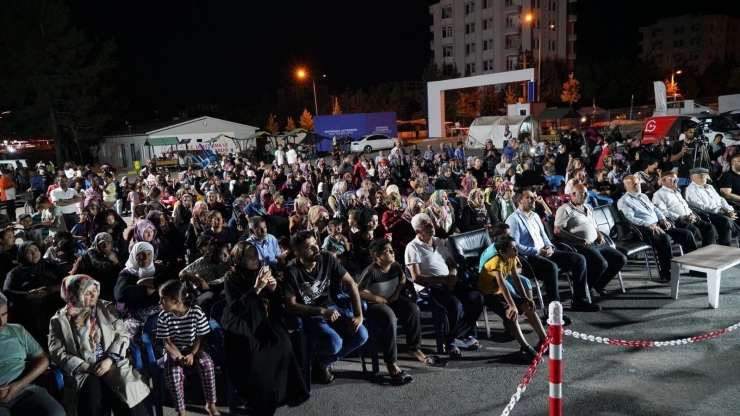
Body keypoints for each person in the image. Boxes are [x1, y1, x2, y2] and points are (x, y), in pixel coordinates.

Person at [220, 241, 310, 414]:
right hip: (242, 320)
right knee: (256, 351)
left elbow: (274, 303)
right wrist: (257, 288)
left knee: (283, 343)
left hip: (263, 316)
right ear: (239, 259)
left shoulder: (263, 271)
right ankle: (261, 399)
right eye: (249, 257)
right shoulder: (231, 277)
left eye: (256, 255)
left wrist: (274, 289)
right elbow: (237, 308)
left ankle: (283, 393)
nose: (255, 260)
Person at [48, 275, 149, 416]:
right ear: (75, 294)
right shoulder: (59, 320)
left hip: (112, 362)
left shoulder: (106, 308)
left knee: (128, 393)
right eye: (88, 292)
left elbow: (122, 335)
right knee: (92, 399)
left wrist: (109, 360)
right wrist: (86, 367)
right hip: (83, 370)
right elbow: (56, 352)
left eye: (95, 289)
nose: (94, 294)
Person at [282, 231, 368, 384]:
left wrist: (358, 315)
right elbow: (291, 305)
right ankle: (319, 360)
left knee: (361, 334)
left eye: (315, 243)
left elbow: (350, 283)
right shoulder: (292, 270)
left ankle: (322, 362)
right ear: (298, 253)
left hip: (334, 308)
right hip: (312, 314)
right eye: (309, 247)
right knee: (335, 344)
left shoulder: (326, 258)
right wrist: (320, 311)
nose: (316, 249)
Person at [358, 239, 444, 383]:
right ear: (377, 256)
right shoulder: (371, 271)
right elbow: (357, 291)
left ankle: (414, 347)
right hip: (375, 304)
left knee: (413, 309)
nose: (393, 252)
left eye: (392, 249)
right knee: (390, 318)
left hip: (392, 298)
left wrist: (396, 293)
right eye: (388, 251)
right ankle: (390, 362)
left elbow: (402, 278)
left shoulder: (395, 266)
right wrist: (377, 299)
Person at [506, 188, 597, 320]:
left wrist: (549, 246)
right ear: (519, 200)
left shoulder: (535, 215)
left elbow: (545, 236)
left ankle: (580, 301)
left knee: (579, 259)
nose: (533, 200)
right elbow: (515, 246)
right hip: (530, 257)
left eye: (533, 197)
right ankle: (554, 312)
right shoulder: (514, 220)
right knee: (551, 267)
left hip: (545, 251)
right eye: (529, 198)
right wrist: (538, 251)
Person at [405, 213, 484, 357]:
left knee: (476, 297)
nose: (431, 226)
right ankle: (449, 341)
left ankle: (461, 334)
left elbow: (452, 264)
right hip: (429, 287)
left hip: (448, 281)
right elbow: (416, 277)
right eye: (426, 225)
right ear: (417, 231)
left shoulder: (438, 241)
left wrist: (452, 276)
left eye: (430, 222)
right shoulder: (413, 247)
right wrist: (443, 280)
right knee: (454, 305)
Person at [479, 235, 547, 361]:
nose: (516, 250)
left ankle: (544, 341)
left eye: (516, 247)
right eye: (512, 248)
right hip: (489, 293)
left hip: (500, 291)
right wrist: (512, 305)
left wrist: (526, 297)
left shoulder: (512, 258)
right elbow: (501, 284)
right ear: (502, 252)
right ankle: (525, 347)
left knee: (528, 306)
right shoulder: (496, 261)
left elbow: (516, 279)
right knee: (511, 314)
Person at [156, 280, 219, 416]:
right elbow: (167, 342)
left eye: (163, 299)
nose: (160, 302)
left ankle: (211, 405)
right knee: (173, 374)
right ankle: (181, 410)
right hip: (174, 350)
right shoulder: (163, 315)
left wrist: (191, 354)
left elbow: (200, 337)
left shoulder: (195, 311)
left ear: (177, 300)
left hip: (195, 348)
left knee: (207, 365)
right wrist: (179, 356)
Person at [618, 175, 698, 282]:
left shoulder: (643, 196)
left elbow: (655, 209)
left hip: (658, 225)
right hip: (643, 230)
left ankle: (694, 267)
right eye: (634, 184)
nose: (637, 186)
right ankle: (666, 272)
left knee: (686, 234)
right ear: (626, 187)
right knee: (664, 238)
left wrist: (663, 219)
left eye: (638, 183)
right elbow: (630, 219)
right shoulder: (624, 201)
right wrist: (648, 225)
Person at [553, 184, 628, 298]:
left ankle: (597, 286)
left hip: (595, 243)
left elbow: (594, 225)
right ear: (573, 194)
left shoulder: (588, 207)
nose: (586, 195)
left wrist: (599, 234)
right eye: (583, 193)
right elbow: (557, 230)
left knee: (620, 259)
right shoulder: (565, 209)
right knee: (601, 263)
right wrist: (578, 240)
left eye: (586, 192)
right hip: (579, 246)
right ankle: (585, 287)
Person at [0, 292, 66, 416]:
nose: (1, 322)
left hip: (25, 390)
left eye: (4, 314)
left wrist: (19, 384)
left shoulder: (17, 330)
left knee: (56, 413)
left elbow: (42, 359)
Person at [3, 241, 65, 346]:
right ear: (22, 254)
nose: (34, 253)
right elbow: (7, 291)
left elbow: (68, 281)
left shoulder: (51, 266)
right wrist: (29, 295)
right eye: (29, 251)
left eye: (36, 250)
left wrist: (53, 288)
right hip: (30, 315)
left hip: (55, 310)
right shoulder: (15, 273)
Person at [653, 170, 719, 246]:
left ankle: (708, 251)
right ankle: (692, 254)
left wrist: (691, 214)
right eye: (673, 179)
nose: (676, 181)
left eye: (677, 179)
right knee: (694, 230)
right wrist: (680, 217)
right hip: (677, 221)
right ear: (664, 180)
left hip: (689, 218)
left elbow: (685, 206)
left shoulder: (677, 191)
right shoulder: (659, 194)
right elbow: (662, 211)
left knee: (709, 227)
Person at [686, 167, 740, 238]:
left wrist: (729, 210)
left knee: (737, 214)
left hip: (721, 211)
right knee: (726, 220)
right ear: (692, 177)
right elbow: (700, 206)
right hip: (708, 214)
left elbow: (721, 199)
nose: (703, 176)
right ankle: (726, 243)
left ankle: (737, 234)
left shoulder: (710, 187)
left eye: (704, 174)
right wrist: (721, 212)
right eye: (700, 174)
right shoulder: (690, 190)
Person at [69, 233, 122, 302]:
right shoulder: (87, 257)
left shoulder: (115, 254)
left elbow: (123, 272)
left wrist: (116, 262)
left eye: (108, 243)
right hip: (94, 293)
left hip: (113, 290)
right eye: (101, 244)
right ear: (96, 244)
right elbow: (74, 276)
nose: (105, 246)